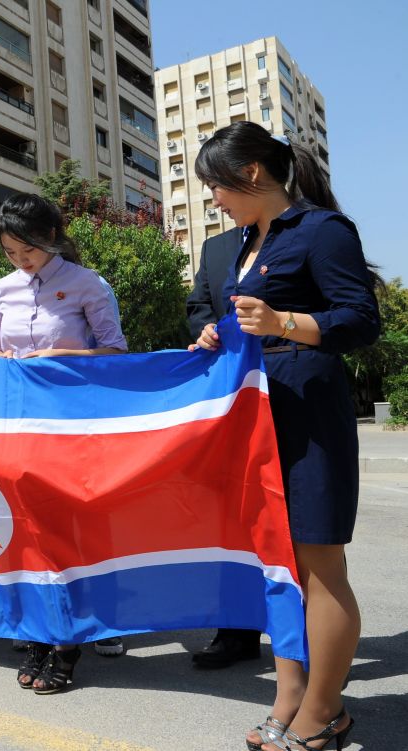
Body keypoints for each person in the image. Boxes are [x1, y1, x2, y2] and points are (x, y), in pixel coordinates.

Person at [190, 121, 379, 751]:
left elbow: (358, 319)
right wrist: (216, 332)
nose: (212, 199)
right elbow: (231, 314)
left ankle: (325, 710)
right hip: (255, 417)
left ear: (250, 174)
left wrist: (283, 322)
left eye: (216, 185)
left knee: (319, 564)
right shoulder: (241, 240)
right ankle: (290, 697)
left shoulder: (323, 230)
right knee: (278, 566)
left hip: (309, 414)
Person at [0, 193, 129, 693]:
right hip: (17, 426)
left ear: (50, 237)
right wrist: (0, 359)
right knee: (26, 530)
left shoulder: (87, 284)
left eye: (27, 250)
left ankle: (69, 640)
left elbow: (115, 353)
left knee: (69, 529)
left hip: (70, 425)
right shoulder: (3, 290)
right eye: (10, 253)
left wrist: (68, 353)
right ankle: (39, 632)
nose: (20, 262)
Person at [186, 225, 264, 670]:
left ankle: (316, 636)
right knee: (232, 518)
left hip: (286, 390)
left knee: (298, 523)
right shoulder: (217, 246)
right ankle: (236, 631)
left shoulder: (300, 233)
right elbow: (198, 304)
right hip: (231, 400)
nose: (216, 197)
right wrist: (206, 327)